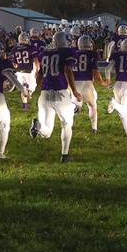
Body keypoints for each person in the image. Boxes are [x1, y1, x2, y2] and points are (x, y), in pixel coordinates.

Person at [30, 31, 82, 162]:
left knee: (46, 132)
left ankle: (37, 126)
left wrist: (41, 87)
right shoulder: (67, 52)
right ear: (64, 40)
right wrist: (75, 91)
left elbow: (39, 75)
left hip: (45, 93)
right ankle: (64, 155)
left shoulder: (45, 53)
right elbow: (68, 70)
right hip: (60, 94)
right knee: (67, 124)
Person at [73, 34, 106, 133]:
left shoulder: (73, 53)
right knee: (92, 105)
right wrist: (102, 82)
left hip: (75, 83)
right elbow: (95, 71)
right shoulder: (92, 53)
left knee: (74, 104)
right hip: (87, 83)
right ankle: (94, 128)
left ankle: (71, 122)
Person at [10, 32, 38, 110]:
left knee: (23, 89)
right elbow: (35, 59)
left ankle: (25, 106)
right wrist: (37, 70)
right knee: (32, 88)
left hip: (19, 72)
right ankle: (28, 92)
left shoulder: (14, 49)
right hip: (29, 71)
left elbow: (14, 64)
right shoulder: (31, 48)